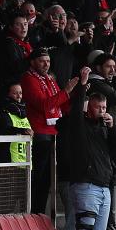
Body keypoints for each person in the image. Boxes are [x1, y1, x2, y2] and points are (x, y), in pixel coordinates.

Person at [63, 68, 116, 230]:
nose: (102, 111)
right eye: (98, 108)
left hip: (105, 187)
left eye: (105, 108)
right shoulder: (79, 125)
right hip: (86, 185)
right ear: (89, 108)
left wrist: (113, 127)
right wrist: (82, 85)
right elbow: (75, 110)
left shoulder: (105, 129)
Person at [20, 47, 79, 214]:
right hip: (40, 133)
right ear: (32, 62)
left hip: (54, 131)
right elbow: (44, 105)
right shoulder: (28, 78)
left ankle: (39, 215)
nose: (46, 64)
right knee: (38, 178)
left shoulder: (49, 79)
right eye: (42, 61)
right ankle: (31, 214)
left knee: (47, 180)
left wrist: (76, 94)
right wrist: (66, 91)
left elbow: (61, 103)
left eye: (48, 61)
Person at [0, 83, 32, 164]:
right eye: (15, 93)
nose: (19, 96)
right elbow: (4, 130)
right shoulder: (1, 112)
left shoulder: (24, 112)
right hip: (7, 162)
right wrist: (22, 131)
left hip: (26, 161)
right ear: (7, 94)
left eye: (20, 93)